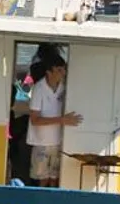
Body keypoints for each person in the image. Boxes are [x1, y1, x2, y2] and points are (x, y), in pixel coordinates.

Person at [27, 56, 81, 188]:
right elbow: (35, 120)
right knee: (42, 179)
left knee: (55, 179)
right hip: (41, 142)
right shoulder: (39, 89)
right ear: (49, 72)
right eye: (59, 70)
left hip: (59, 141)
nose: (63, 73)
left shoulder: (64, 88)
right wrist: (62, 120)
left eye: (64, 70)